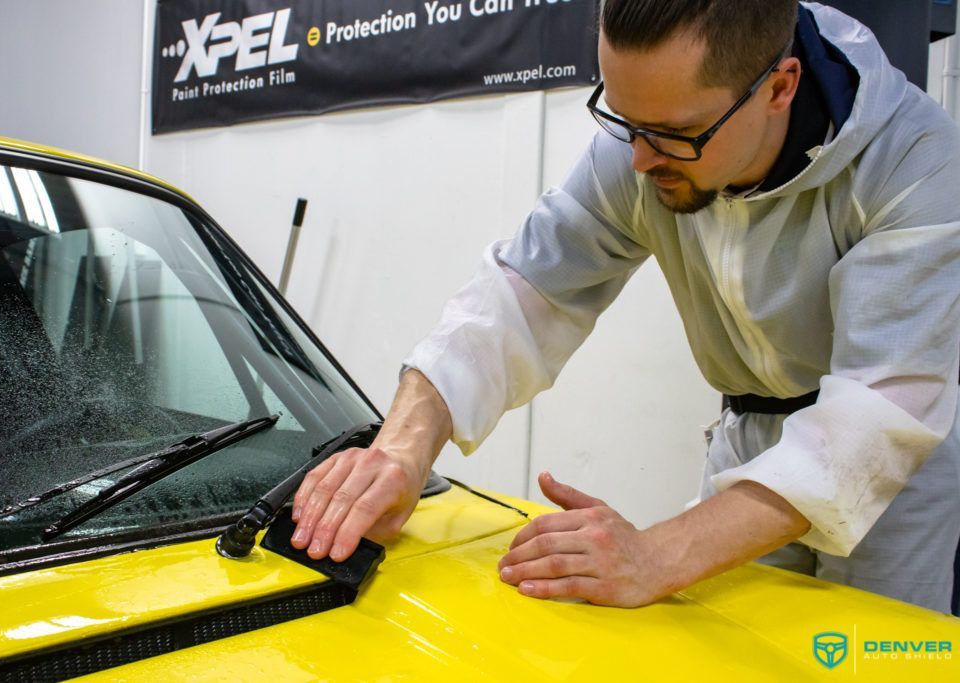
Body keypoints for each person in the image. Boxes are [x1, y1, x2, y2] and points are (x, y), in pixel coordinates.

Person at [291, 0, 960, 612]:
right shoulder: (648, 141)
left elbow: (874, 418)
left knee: (880, 659)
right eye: (624, 120)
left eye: (672, 133)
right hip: (749, 446)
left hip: (894, 481)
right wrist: (402, 449)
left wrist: (660, 552)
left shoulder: (916, 160)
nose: (638, 160)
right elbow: (524, 291)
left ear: (779, 88)